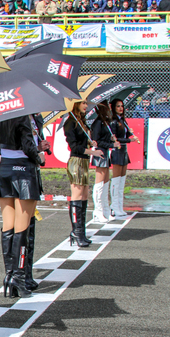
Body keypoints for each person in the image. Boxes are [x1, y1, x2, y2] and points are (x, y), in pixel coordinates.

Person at [0, 113, 49, 298]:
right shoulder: (21, 113)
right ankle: (19, 278)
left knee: (9, 226)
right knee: (22, 228)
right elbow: (27, 146)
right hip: (24, 169)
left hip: (5, 167)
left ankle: (10, 276)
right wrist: (39, 156)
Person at [63, 101, 103, 247]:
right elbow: (74, 147)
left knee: (84, 196)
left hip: (84, 161)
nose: (86, 106)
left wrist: (90, 142)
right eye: (83, 103)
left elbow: (82, 142)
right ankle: (76, 232)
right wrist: (93, 151)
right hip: (77, 162)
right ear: (76, 104)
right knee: (77, 196)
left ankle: (81, 231)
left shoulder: (82, 122)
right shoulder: (70, 123)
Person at [109, 99, 139, 218]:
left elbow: (123, 135)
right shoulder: (113, 121)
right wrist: (129, 140)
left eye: (122, 106)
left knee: (122, 180)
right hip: (117, 150)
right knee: (116, 180)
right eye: (118, 106)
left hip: (124, 151)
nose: (121, 108)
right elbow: (114, 138)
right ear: (113, 108)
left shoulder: (122, 120)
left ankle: (119, 206)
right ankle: (114, 206)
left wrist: (128, 133)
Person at [90, 102, 118, 223]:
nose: (110, 110)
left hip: (105, 153)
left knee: (106, 182)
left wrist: (111, 139)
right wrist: (111, 144)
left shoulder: (105, 123)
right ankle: (98, 211)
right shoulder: (97, 123)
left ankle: (106, 210)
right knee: (100, 183)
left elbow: (104, 138)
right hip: (99, 154)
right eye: (108, 108)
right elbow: (96, 141)